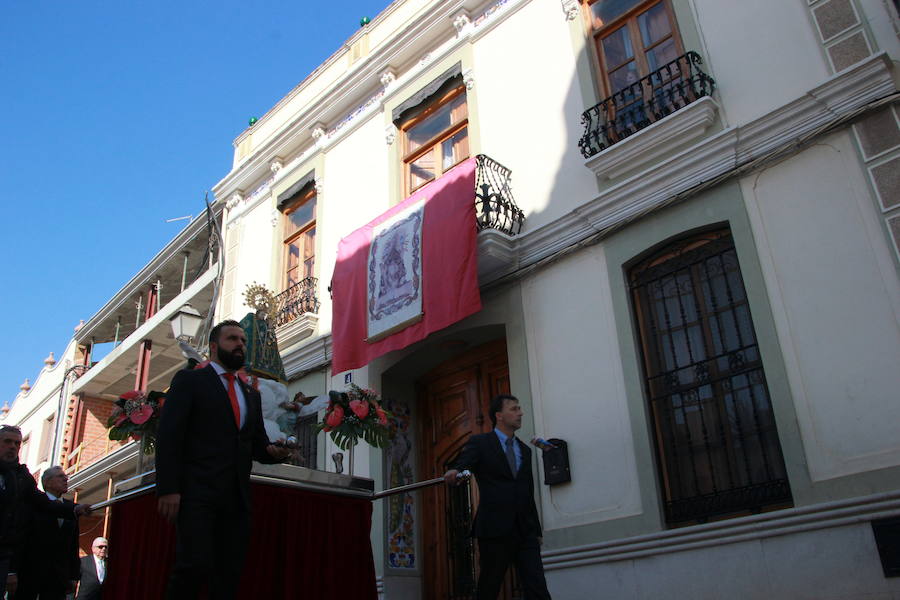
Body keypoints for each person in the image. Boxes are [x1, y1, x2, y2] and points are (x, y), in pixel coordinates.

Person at [156, 320, 291, 599]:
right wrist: (169, 488)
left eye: (242, 340)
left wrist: (275, 452)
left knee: (229, 573)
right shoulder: (191, 381)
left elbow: (256, 446)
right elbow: (170, 435)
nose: (240, 344)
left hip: (237, 499)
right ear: (214, 346)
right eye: (232, 339)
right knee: (193, 566)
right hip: (197, 493)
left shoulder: (251, 394)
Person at [444, 395, 552, 600]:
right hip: (494, 529)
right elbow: (464, 463)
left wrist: (536, 530)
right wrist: (455, 471)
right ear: (499, 415)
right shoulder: (480, 442)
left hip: (525, 530)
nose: (520, 413)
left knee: (537, 586)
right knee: (489, 586)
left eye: (519, 408)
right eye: (514, 409)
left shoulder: (526, 451)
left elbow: (528, 492)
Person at [0, 425, 90, 598]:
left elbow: (44, 503)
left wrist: (75, 509)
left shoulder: (22, 476)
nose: (13, 446)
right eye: (7, 442)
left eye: (17, 443)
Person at [16, 466, 81, 600]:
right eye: (60, 476)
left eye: (66, 476)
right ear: (47, 482)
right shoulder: (35, 505)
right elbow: (22, 538)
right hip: (31, 575)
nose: (66, 479)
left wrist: (73, 576)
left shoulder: (71, 508)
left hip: (58, 579)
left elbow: (73, 545)